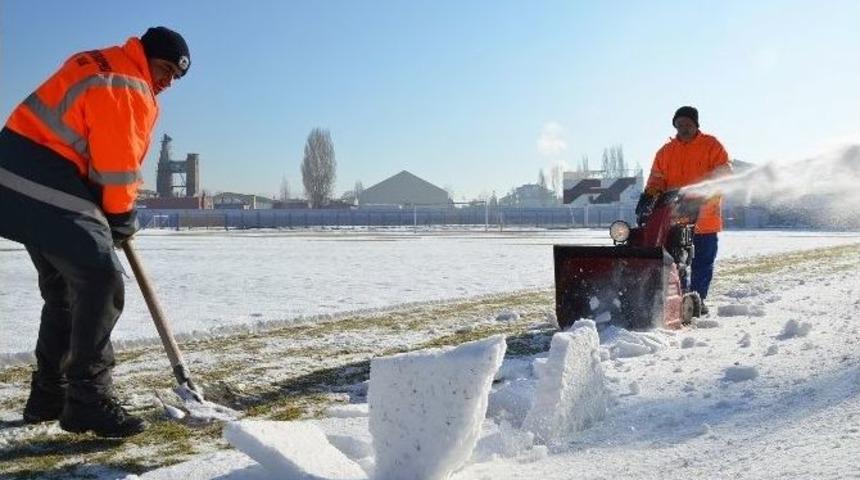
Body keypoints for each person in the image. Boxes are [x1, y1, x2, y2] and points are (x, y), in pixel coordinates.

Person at [0, 26, 190, 437]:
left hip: (17, 175)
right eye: (164, 69)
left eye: (175, 77)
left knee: (68, 292)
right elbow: (117, 166)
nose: (166, 82)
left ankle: (48, 396)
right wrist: (120, 217)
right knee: (101, 279)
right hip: (40, 175)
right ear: (145, 54)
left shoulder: (101, 62)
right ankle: (87, 400)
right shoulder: (126, 85)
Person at [637, 106, 732, 315]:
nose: (684, 128)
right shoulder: (665, 152)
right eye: (679, 125)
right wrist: (649, 196)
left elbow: (724, 175)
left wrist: (705, 196)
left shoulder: (711, 145)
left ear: (696, 125)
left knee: (702, 262)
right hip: (674, 220)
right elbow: (656, 180)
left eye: (688, 125)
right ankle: (678, 299)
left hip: (705, 218)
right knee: (675, 261)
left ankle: (697, 300)